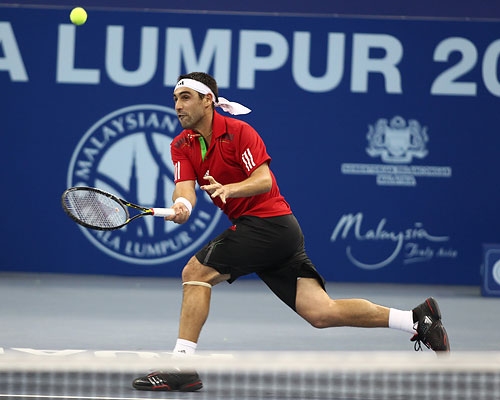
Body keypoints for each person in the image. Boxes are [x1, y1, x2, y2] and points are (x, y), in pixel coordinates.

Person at [132, 72, 450, 392]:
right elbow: (184, 189)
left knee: (195, 272)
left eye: (186, 97)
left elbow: (263, 180)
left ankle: (182, 365)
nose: (178, 105)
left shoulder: (239, 132)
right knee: (321, 312)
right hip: (271, 232)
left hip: (269, 224)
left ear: (207, 101)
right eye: (176, 99)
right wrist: (182, 206)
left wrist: (230, 189)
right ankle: (415, 319)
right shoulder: (181, 144)